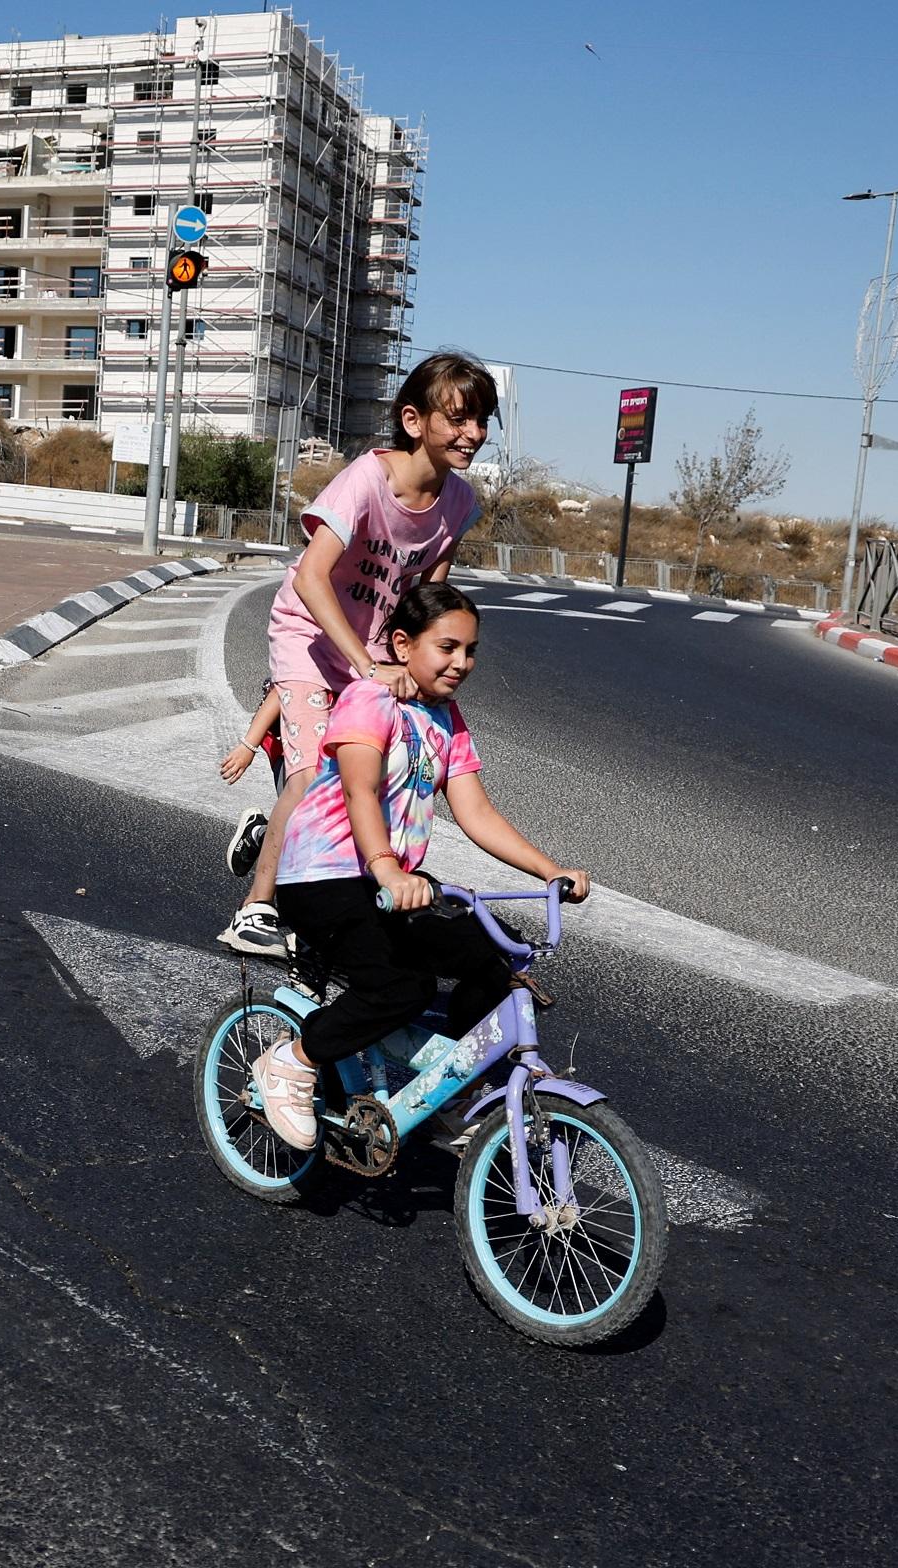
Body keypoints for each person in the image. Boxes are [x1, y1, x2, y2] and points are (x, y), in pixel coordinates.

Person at [246, 583, 590, 1151]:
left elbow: (475, 811)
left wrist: (549, 871)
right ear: (403, 645)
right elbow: (360, 791)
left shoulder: (446, 719)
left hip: (386, 886)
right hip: (322, 878)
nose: (462, 663)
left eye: (471, 650)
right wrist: (386, 868)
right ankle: (292, 1059)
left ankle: (450, 1091)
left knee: (493, 961)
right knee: (397, 988)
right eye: (448, 647)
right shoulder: (367, 699)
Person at [218, 351, 498, 958]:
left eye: (481, 422)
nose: (472, 434)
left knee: (374, 769)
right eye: (458, 419)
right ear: (415, 421)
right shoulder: (367, 480)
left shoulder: (457, 504)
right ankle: (256, 908)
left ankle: (280, 838)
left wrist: (421, 671)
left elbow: (427, 602)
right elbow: (313, 578)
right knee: (315, 769)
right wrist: (368, 666)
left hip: (374, 648)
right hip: (308, 636)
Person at [218, 684, 286, 877]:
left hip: (348, 744)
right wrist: (248, 746)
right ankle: (260, 834)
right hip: (292, 746)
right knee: (301, 824)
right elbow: (283, 689)